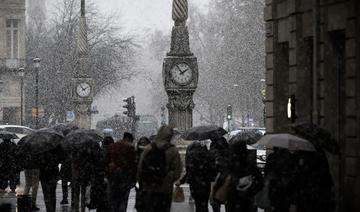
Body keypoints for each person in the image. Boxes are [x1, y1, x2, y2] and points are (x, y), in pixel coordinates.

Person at [137, 125, 183, 212]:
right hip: (165, 189)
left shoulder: (148, 148)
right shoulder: (173, 150)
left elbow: (140, 169)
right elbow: (177, 171)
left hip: (149, 187)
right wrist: (169, 179)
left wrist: (142, 184)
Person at [214, 140, 263, 212]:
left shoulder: (229, 166)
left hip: (232, 203)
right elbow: (261, 183)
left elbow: (219, 184)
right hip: (248, 203)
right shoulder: (250, 167)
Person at [176, 141, 217, 212]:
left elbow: (189, 172)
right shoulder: (208, 156)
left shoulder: (191, 158)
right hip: (205, 185)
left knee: (198, 204)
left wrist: (181, 181)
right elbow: (212, 171)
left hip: (194, 185)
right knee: (204, 205)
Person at [107, 132, 137, 212]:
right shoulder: (130, 148)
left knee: (113, 198)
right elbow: (133, 164)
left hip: (113, 176)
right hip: (125, 177)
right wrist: (133, 179)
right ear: (129, 139)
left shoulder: (112, 146)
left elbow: (106, 161)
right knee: (123, 199)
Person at [264, 147, 296, 212]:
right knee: (282, 205)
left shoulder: (273, 157)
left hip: (277, 186)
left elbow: (267, 170)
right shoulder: (288, 157)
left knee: (276, 205)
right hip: (282, 187)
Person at [209, 137, 231, 212]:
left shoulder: (213, 154)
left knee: (215, 203)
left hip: (216, 180)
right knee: (228, 202)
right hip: (227, 181)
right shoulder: (229, 153)